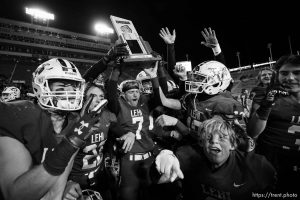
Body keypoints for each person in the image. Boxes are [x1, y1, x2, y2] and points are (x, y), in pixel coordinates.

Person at [0, 58, 103, 200]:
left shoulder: (74, 120)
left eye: (74, 86)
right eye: (62, 86)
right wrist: (72, 141)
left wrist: (66, 184)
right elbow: (17, 195)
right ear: (39, 87)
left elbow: (56, 187)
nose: (70, 91)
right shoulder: (20, 115)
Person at [155, 116, 277, 200]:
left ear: (233, 145)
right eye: (209, 138)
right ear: (202, 143)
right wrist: (165, 157)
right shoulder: (188, 155)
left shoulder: (256, 165)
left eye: (222, 138)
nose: (214, 142)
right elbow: (157, 178)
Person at [63, 83, 129, 200]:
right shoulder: (72, 119)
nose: (98, 99)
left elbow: (122, 132)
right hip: (74, 179)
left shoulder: (107, 116)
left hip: (100, 176)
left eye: (101, 96)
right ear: (84, 99)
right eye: (93, 96)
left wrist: (130, 135)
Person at [106, 61, 161, 200]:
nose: (135, 94)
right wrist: (116, 70)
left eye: (137, 91)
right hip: (129, 160)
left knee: (152, 195)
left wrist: (154, 78)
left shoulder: (144, 103)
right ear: (123, 95)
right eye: (131, 92)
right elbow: (111, 94)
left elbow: (161, 96)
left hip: (149, 158)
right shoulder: (118, 105)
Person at [247, 54, 300, 193]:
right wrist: (267, 104)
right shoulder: (270, 95)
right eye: (284, 73)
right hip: (272, 161)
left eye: (297, 72)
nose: (290, 78)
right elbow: (253, 132)